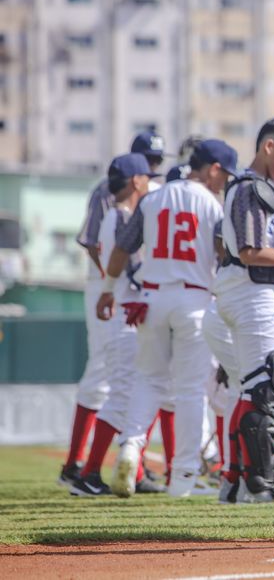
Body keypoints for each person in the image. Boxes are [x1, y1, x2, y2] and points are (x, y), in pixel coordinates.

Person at [98, 139, 236, 498]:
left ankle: (130, 446)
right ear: (213, 169)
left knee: (148, 381)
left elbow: (123, 247)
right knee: (191, 390)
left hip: (152, 296)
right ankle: (183, 478)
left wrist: (109, 288)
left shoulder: (154, 197)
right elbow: (224, 254)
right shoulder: (212, 203)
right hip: (193, 298)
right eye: (225, 174)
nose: (225, 182)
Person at [59, 131, 166, 488]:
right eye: (147, 173)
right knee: (119, 389)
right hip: (121, 307)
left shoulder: (117, 214)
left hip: (117, 302)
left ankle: (113, 468)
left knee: (125, 387)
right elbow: (129, 265)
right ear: (136, 180)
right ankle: (87, 472)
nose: (151, 178)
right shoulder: (121, 216)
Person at [214, 119, 274, 501]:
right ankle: (261, 485)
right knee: (265, 388)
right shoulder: (253, 189)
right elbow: (252, 252)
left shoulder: (260, 188)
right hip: (252, 292)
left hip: (250, 292)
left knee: (254, 388)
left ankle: (235, 482)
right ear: (268, 146)